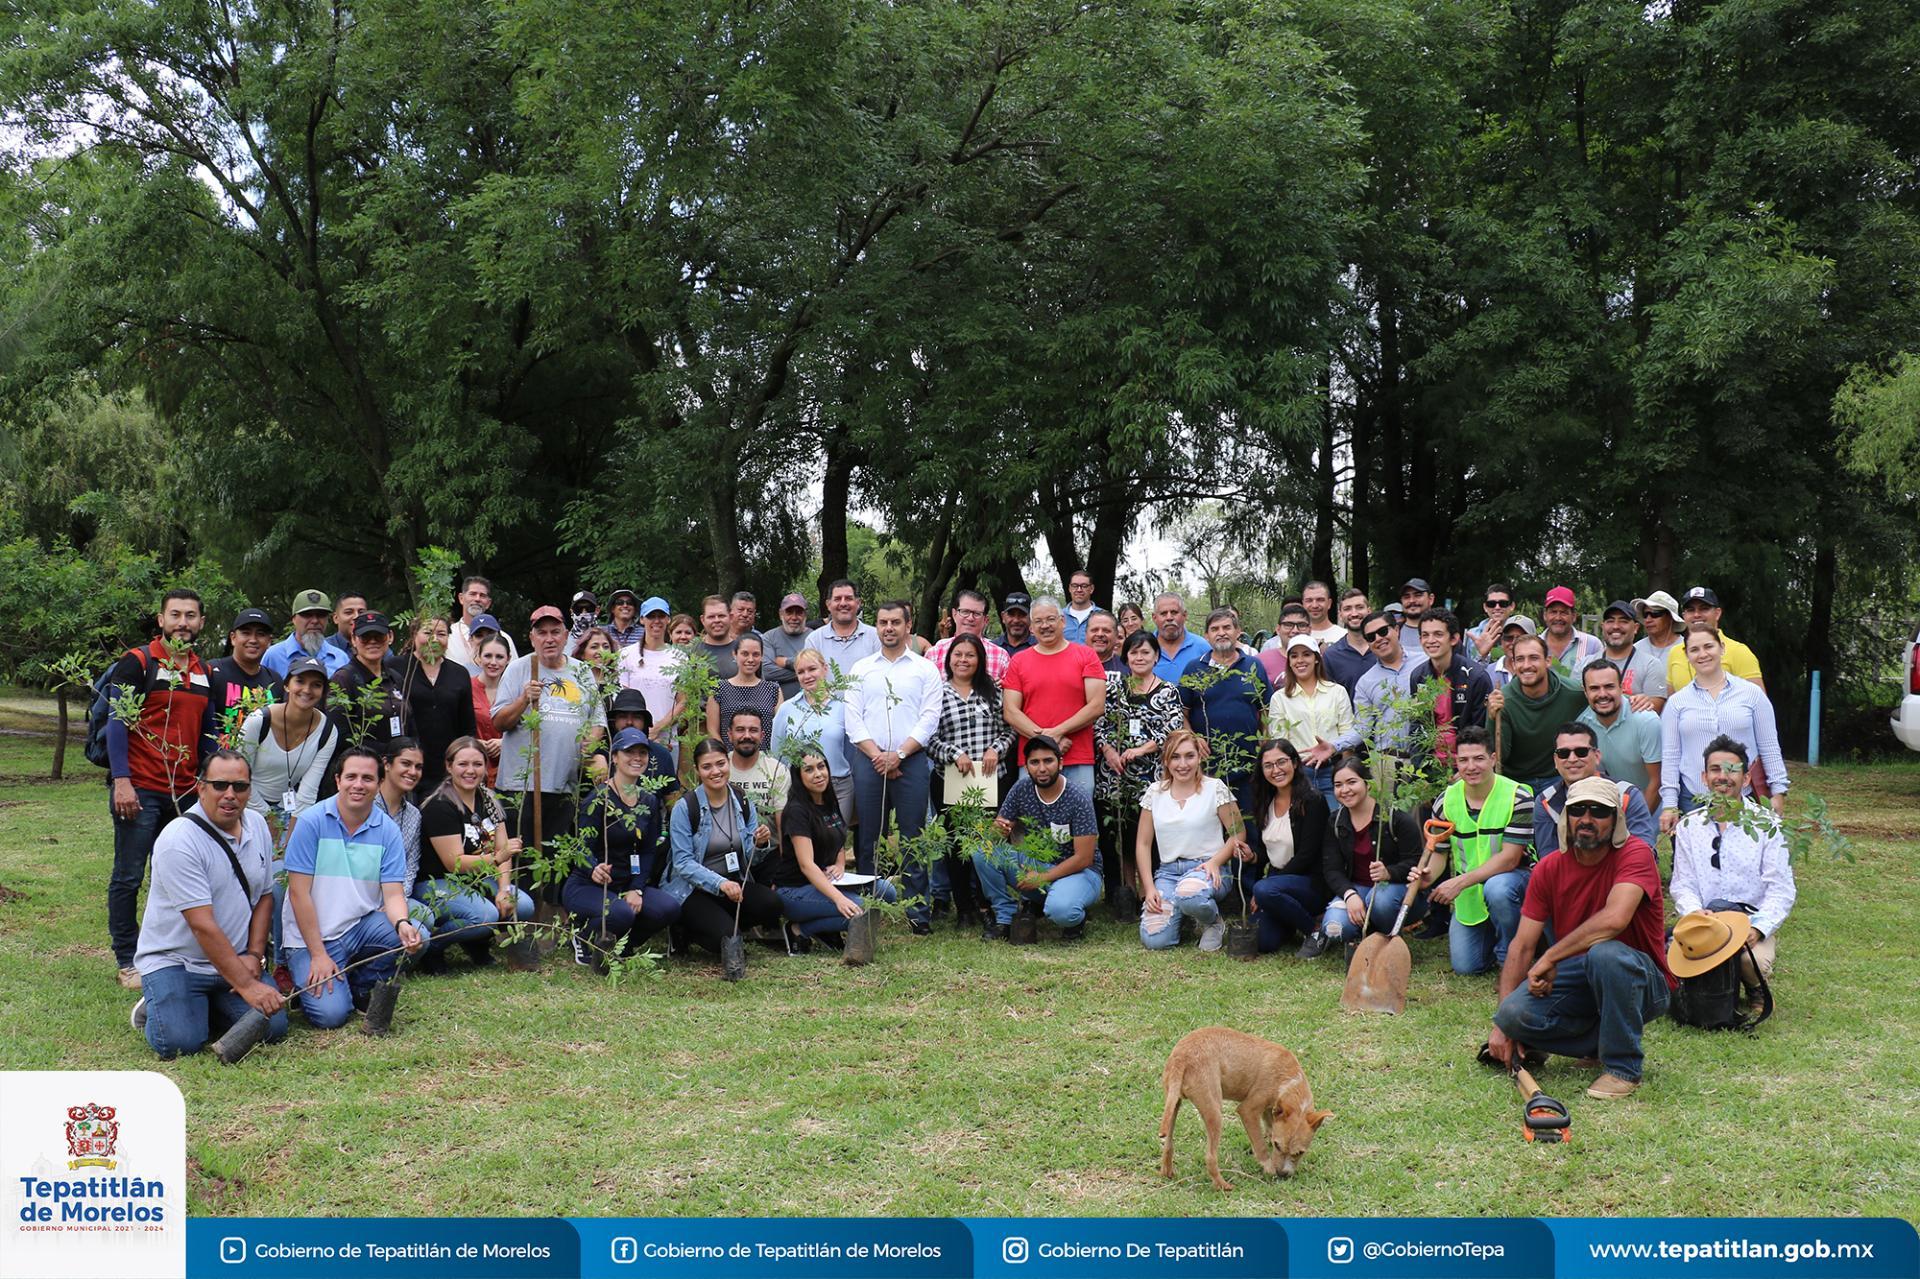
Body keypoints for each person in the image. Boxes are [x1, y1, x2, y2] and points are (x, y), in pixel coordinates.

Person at [1487, 777, 1675, 1099]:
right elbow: (1521, 945)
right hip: (1582, 975)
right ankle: (1595, 1044)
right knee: (1512, 1014)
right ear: (1566, 818)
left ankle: (1623, 1068)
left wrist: (1549, 958)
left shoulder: (1636, 854)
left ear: (1615, 820)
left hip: (1643, 981)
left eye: (1598, 811)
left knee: (1605, 954)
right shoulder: (1549, 867)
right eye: (1578, 810)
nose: (1586, 819)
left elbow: (1614, 920)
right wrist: (1504, 1028)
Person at [130, 749, 286, 1058]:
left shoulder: (257, 826)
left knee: (274, 1028)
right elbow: (202, 924)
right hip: (177, 961)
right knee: (179, 1043)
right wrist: (248, 986)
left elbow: (265, 896)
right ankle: (158, 1002)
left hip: (236, 958)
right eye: (219, 785)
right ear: (201, 787)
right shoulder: (179, 840)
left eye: (239, 786)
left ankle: (201, 1003)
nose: (230, 794)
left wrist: (254, 955)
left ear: (249, 790)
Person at [105, 588, 220, 988]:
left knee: (177, 875)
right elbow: (117, 723)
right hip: (140, 788)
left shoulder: (203, 671)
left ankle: (170, 952)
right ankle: (127, 959)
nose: (183, 623)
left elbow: (206, 733)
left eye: (191, 615)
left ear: (201, 622)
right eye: (175, 615)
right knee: (129, 875)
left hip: (185, 791)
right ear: (161, 620)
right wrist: (122, 781)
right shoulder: (138, 662)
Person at [281, 746, 428, 1027]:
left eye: (367, 778)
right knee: (331, 1016)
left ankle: (362, 984)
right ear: (337, 781)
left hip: (359, 926)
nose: (358, 785)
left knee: (419, 935)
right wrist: (318, 955)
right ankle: (319, 975)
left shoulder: (387, 830)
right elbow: (299, 894)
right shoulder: (311, 822)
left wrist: (402, 924)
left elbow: (394, 893)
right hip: (312, 937)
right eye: (351, 777)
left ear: (379, 783)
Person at [845, 601, 942, 932]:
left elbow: (930, 718)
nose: (889, 628)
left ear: (908, 625)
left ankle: (918, 914)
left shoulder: (924, 669)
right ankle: (868, 908)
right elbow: (853, 719)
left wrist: (898, 755)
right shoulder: (861, 669)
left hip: (911, 762)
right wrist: (878, 756)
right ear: (877, 625)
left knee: (913, 837)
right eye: (883, 622)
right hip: (869, 761)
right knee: (869, 838)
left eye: (895, 622)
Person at [1669, 735, 1796, 984]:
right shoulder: (1688, 825)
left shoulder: (1768, 825)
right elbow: (1683, 884)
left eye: (1732, 770)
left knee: (1751, 963)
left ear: (1746, 778)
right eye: (1715, 769)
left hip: (1749, 921)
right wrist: (1695, 913)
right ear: (1704, 777)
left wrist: (1758, 928)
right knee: (1669, 958)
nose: (1723, 776)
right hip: (1705, 923)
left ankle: (1755, 988)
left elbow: (1781, 889)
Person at [490, 606, 607, 854]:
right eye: (541, 633)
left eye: (555, 631)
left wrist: (592, 742)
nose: (549, 638)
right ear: (532, 638)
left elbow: (598, 720)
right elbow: (499, 722)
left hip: (564, 784)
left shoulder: (582, 671)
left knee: (555, 859)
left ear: (566, 636)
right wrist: (523, 700)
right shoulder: (518, 669)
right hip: (520, 786)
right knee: (520, 858)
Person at [414, 737, 535, 967]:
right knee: (484, 916)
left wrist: (503, 889)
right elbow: (455, 864)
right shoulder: (439, 805)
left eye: (478, 764)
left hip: (476, 880)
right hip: (437, 883)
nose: (470, 771)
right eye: (462, 764)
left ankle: (477, 941)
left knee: (523, 905)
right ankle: (434, 947)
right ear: (449, 766)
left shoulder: (488, 798)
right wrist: (499, 857)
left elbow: (503, 849)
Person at [567, 727, 679, 969]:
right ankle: (583, 935)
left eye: (642, 752)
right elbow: (580, 848)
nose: (636, 758)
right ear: (614, 757)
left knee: (668, 908)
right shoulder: (597, 799)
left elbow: (648, 850)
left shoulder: (648, 800)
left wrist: (636, 889)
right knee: (621, 913)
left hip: (626, 882)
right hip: (589, 885)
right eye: (629, 752)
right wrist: (593, 869)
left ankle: (621, 945)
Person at [663, 737, 783, 956]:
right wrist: (720, 883)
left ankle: (723, 924)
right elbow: (682, 863)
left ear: (728, 762)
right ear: (698, 770)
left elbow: (750, 858)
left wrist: (760, 844)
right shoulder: (685, 807)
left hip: (732, 884)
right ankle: (686, 928)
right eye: (707, 767)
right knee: (725, 937)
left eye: (720, 763)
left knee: (771, 904)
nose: (715, 771)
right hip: (693, 889)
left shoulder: (742, 800)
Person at [977, 734, 1103, 941]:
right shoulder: (1021, 789)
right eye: (1035, 762)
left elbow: (1084, 858)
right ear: (1026, 767)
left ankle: (1072, 911)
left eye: (1048, 761)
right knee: (984, 851)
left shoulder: (1077, 797)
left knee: (1062, 911)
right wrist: (998, 831)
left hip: (1079, 872)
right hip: (1036, 865)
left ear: (1060, 763)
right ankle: (1005, 917)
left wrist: (1041, 878)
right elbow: (995, 834)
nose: (1042, 768)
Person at [1659, 627, 1787, 827]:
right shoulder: (1677, 703)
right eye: (1694, 649)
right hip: (1693, 798)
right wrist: (1669, 804)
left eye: (1708, 646)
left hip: (1744, 796)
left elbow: (1769, 746)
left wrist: (1778, 791)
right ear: (1686, 655)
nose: (1702, 654)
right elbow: (1671, 755)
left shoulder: (1752, 694)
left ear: (1722, 648)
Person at [1095, 629, 1188, 900]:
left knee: (1152, 836)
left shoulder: (1168, 691)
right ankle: (1127, 893)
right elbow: (1099, 724)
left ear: (1156, 656)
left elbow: (1172, 730)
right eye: (1133, 652)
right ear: (1125, 657)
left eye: (1145, 651)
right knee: (1122, 835)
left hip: (1152, 777)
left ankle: (1156, 890)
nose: (1139, 657)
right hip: (1115, 775)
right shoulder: (1115, 689)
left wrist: (1140, 750)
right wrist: (1109, 750)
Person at [1433, 727, 1534, 976]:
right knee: (1467, 967)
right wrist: (1424, 876)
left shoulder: (1519, 796)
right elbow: (1438, 854)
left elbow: (1511, 858)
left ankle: (1511, 956)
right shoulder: (1444, 801)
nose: (1471, 767)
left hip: (1513, 883)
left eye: (1479, 758)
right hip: (1470, 896)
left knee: (1497, 889)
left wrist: (1458, 882)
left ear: (1493, 758)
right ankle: (1494, 939)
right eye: (1464, 760)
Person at [774, 751, 900, 950]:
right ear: (798, 776)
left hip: (825, 881)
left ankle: (825, 924)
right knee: (862, 907)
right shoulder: (797, 810)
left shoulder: (829, 802)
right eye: (809, 769)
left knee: (888, 892)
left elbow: (839, 840)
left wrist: (840, 865)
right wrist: (839, 899)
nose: (818, 774)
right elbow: (806, 865)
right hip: (794, 890)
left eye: (821, 767)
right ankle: (798, 930)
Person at [925, 633, 1012, 919]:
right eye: (958, 655)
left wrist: (995, 749)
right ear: (949, 659)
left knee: (986, 842)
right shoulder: (936, 693)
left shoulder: (994, 691)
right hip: (951, 780)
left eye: (970, 655)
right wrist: (954, 754)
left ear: (980, 660)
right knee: (956, 843)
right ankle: (964, 907)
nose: (963, 660)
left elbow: (1010, 730)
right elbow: (927, 738)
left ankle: (988, 903)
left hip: (989, 778)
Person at [1135, 731, 1244, 951]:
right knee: (1155, 940)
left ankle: (1212, 922)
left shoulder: (1215, 788)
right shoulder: (1155, 792)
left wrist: (1215, 862)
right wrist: (1149, 888)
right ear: (1166, 759)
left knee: (1190, 894)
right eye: (1175, 757)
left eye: (1189, 756)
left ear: (1199, 757)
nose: (1182, 764)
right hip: (1168, 873)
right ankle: (1182, 913)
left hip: (1208, 867)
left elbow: (1238, 833)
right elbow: (1143, 844)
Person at [1317, 753, 1429, 949]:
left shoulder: (1396, 818)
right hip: (1357, 889)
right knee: (1334, 928)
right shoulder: (1335, 821)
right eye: (1338, 785)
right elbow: (1331, 869)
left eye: (1352, 782)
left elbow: (1415, 862)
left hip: (1394, 891)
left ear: (1368, 783)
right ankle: (1367, 931)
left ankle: (1388, 939)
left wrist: (1389, 873)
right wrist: (1349, 895)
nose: (1345, 790)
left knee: (1379, 902)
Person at [1003, 597, 1109, 800]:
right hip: (1033, 759)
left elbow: (1096, 706)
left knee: (1080, 823)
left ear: (1063, 621)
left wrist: (1057, 733)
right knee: (1034, 825)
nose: (1045, 626)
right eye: (1038, 621)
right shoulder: (1018, 661)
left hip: (1077, 756)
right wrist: (1048, 743)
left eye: (1051, 619)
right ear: (1031, 627)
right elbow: (1011, 712)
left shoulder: (1086, 655)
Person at [240, 655, 341, 844]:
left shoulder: (328, 731)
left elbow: (309, 790)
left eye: (316, 685)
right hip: (246, 804)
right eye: (300, 681)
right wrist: (267, 819)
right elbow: (238, 776)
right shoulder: (259, 721)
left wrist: (290, 840)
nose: (307, 690)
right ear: (287, 685)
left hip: (289, 809)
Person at [1176, 607, 1271, 806]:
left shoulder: (1254, 666)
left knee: (1249, 826)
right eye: (1214, 629)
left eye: (1227, 627)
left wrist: (1265, 744)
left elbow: (1265, 711)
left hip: (1248, 763)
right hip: (1207, 764)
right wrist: (1192, 737)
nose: (1221, 633)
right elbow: (1180, 713)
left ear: (1238, 632)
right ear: (1206, 636)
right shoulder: (1194, 669)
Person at [1245, 739, 1330, 956]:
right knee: (1263, 941)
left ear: (1294, 763)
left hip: (1309, 881)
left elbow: (1307, 856)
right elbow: (1268, 850)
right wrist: (1253, 857)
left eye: (1281, 762)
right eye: (1268, 765)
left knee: (1264, 890)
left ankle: (1315, 931)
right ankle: (1295, 919)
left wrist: (1265, 888)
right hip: (1278, 883)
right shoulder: (1265, 801)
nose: (1276, 770)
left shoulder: (1312, 800)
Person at [1534, 722, 1659, 855]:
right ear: (1555, 760)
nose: (1572, 759)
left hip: (1622, 870)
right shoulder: (1545, 802)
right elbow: (1547, 857)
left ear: (1597, 756)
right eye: (1563, 753)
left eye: (1581, 752)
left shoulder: (1626, 795)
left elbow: (1645, 851)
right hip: (1569, 873)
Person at [1485, 634, 1589, 792]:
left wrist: (1638, 700)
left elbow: (1605, 698)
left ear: (1547, 661)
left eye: (1534, 658)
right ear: (1513, 663)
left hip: (1558, 777)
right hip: (1517, 781)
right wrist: (1492, 718)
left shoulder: (1572, 692)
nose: (1526, 665)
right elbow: (1499, 756)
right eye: (1520, 659)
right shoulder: (1503, 700)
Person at [1265, 637, 1355, 809]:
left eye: (1306, 654)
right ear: (1289, 662)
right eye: (1294, 656)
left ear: (1316, 658)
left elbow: (1347, 734)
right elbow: (1280, 741)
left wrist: (1347, 772)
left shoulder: (1336, 692)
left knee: (1336, 824)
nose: (1300, 660)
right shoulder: (1280, 698)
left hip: (1332, 770)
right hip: (1299, 773)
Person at [396, 615, 477, 793]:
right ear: (414, 635)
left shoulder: (459, 673)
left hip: (447, 770)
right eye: (427, 632)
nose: (434, 639)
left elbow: (467, 728)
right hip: (405, 768)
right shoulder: (395, 668)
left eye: (441, 634)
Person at [771, 649, 854, 822]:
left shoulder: (843, 708)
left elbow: (852, 751)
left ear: (825, 669)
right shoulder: (787, 709)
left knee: (835, 842)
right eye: (801, 672)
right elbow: (778, 753)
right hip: (800, 787)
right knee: (805, 844)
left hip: (838, 786)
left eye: (812, 669)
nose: (807, 675)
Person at [1407, 608, 1491, 759]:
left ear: (1453, 639)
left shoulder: (1476, 676)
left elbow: (1481, 729)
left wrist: (1465, 766)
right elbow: (1417, 726)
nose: (1430, 640)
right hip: (1431, 764)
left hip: (1467, 763)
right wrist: (1418, 765)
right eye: (1425, 635)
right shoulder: (1418, 676)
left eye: (1438, 634)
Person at [1578, 659, 1662, 797]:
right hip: (1611, 801)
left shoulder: (1646, 721)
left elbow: (1657, 781)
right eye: (1594, 688)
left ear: (1621, 687)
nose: (1602, 694)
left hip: (1651, 801)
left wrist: (1638, 818)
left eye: (1609, 686)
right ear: (1585, 692)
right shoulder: (1583, 725)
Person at [330, 610, 408, 751]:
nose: (372, 642)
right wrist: (388, 751)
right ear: (354, 639)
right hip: (362, 765)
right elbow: (340, 736)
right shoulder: (343, 679)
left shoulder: (396, 678)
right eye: (365, 637)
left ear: (390, 637)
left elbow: (410, 724)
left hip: (398, 766)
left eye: (379, 636)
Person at [1665, 587, 1765, 695]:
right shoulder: (1675, 652)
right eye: (1690, 610)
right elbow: (1671, 701)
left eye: (1704, 609)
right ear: (1684, 616)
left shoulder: (1739, 651)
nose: (1696, 614)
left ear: (1717, 613)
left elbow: (1758, 701)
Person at [616, 597, 687, 745]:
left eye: (661, 616)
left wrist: (657, 728)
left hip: (668, 739)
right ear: (642, 619)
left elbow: (682, 702)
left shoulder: (680, 658)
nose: (656, 621)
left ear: (668, 619)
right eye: (651, 616)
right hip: (633, 737)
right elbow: (624, 698)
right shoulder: (626, 654)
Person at [373, 737, 426, 934]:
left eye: (418, 767)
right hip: (363, 894)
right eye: (406, 763)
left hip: (396, 894)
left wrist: (398, 899)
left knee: (425, 915)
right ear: (386, 764)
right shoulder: (366, 806)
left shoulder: (413, 814)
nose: (412, 772)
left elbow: (411, 864)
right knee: (422, 923)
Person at [1351, 609, 1418, 759]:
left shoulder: (1425, 662)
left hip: (1427, 756)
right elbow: (1363, 728)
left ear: (1396, 630)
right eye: (1370, 637)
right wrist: (1334, 746)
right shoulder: (1365, 682)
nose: (1378, 638)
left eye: (1382, 631)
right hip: (1386, 762)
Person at [208, 608, 283, 727]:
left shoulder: (275, 680)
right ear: (233, 638)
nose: (253, 640)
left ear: (269, 641)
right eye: (246, 633)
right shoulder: (213, 671)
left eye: (261, 634)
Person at [706, 632, 780, 749]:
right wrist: (725, 756)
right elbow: (712, 730)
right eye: (745, 654)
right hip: (730, 759)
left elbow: (779, 730)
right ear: (734, 655)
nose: (750, 659)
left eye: (755, 654)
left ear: (761, 656)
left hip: (764, 760)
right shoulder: (718, 689)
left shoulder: (773, 689)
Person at [927, 588, 1012, 683]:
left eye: (977, 614)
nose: (970, 618)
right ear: (954, 614)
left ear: (986, 620)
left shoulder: (1001, 656)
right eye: (965, 612)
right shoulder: (935, 653)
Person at [1597, 600, 1668, 712]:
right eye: (1610, 621)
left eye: (1623, 621)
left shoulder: (1651, 665)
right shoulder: (1585, 664)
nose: (1615, 626)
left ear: (1635, 628)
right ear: (1603, 626)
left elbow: (1655, 707)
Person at [263, 589, 350, 678]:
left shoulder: (340, 658)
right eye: (307, 615)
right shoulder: (274, 656)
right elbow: (263, 690)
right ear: (293, 619)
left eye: (321, 615)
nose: (315, 621)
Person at [726, 707, 789, 826]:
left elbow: (782, 821)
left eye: (753, 730)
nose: (747, 736)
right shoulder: (719, 769)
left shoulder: (777, 770)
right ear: (730, 735)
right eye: (740, 730)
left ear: (762, 735)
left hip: (770, 844)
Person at [806, 579, 881, 676]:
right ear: (828, 605)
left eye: (848, 598)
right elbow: (809, 679)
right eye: (837, 599)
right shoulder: (814, 640)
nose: (843, 603)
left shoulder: (876, 637)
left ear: (858, 603)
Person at [447, 576, 518, 669]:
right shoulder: (448, 635)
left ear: (488, 603)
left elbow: (514, 673)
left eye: (482, 595)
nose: (477, 599)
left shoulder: (504, 638)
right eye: (472, 594)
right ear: (461, 598)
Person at [469, 633, 510, 781]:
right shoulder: (465, 687)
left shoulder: (515, 692)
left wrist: (504, 743)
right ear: (479, 658)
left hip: (507, 771)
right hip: (473, 771)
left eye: (499, 657)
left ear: (508, 659)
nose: (493, 662)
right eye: (488, 656)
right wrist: (473, 742)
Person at [1322, 588, 1377, 697]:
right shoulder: (1331, 655)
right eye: (1347, 609)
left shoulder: (1383, 647)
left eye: (1359, 607)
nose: (1354, 613)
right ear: (1340, 615)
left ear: (1369, 611)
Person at [1541, 587, 1603, 678]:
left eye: (1564, 612)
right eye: (1553, 612)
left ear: (1574, 616)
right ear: (1545, 615)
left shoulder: (1592, 644)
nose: (1558, 618)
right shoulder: (1534, 644)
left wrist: (1557, 668)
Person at [761, 593, 813, 701]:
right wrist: (807, 672)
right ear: (781, 614)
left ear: (805, 615)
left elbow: (822, 670)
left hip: (812, 705)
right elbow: (766, 672)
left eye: (799, 613)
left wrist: (786, 662)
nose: (794, 617)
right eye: (789, 612)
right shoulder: (768, 638)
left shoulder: (814, 637)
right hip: (776, 706)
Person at [1632, 590, 1685, 695]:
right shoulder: (1634, 650)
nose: (1648, 619)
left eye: (1655, 614)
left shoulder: (1687, 648)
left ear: (1670, 617)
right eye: (1645, 614)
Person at [1150, 593, 1210, 680]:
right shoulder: (1144, 648)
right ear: (1154, 617)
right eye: (1163, 613)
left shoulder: (1203, 647)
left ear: (1184, 615)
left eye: (1174, 612)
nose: (1169, 618)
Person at [691, 595, 740, 681]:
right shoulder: (692, 653)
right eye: (711, 617)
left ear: (731, 617)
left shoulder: (743, 650)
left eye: (721, 616)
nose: (717, 620)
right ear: (703, 620)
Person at [1466, 583, 1517, 661]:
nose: (1497, 607)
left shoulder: (1521, 634)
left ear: (1512, 606)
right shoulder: (1473, 634)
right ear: (1485, 607)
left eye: (1503, 603)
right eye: (1491, 604)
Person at [1397, 578, 1436, 660]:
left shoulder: (1446, 631)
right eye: (1406, 597)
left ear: (1431, 599)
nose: (1412, 600)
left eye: (1418, 595)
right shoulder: (1392, 633)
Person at [1301, 581, 1345, 647]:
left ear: (1329, 603)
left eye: (1320, 600)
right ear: (1303, 604)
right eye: (1309, 600)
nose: (1314, 605)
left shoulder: (1344, 636)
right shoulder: (1295, 636)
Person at [1062, 571, 1099, 644]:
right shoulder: (1059, 616)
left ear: (1091, 589)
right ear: (1069, 588)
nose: (1079, 590)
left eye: (1084, 586)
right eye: (1075, 586)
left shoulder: (1103, 616)